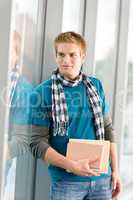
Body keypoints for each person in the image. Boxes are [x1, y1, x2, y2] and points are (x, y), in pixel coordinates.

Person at [30, 31, 122, 200]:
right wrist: (72, 166)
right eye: (61, 54)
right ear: (56, 56)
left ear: (83, 56)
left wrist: (115, 170)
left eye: (72, 55)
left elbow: (108, 129)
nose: (66, 60)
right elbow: (37, 144)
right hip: (66, 183)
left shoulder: (95, 86)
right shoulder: (42, 93)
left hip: (102, 180)